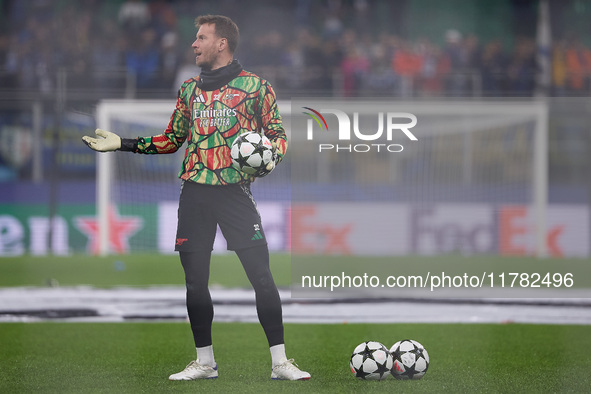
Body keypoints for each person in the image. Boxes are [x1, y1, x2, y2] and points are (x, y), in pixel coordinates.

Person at [82, 14, 310, 381]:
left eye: (201, 37)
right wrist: (121, 144)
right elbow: (172, 139)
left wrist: (270, 159)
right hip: (194, 193)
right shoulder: (189, 89)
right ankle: (205, 363)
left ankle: (281, 363)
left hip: (235, 193)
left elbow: (278, 135)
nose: (194, 43)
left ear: (221, 43)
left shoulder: (256, 87)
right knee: (194, 282)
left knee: (262, 278)